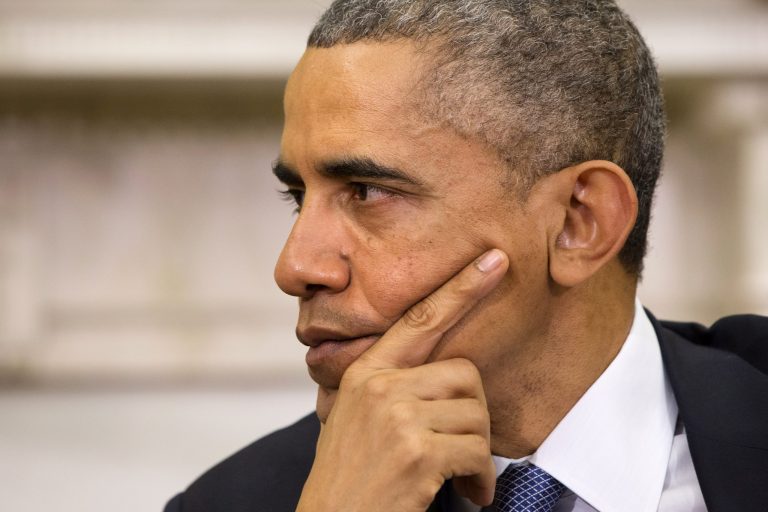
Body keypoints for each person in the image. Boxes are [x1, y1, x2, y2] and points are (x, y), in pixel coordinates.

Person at [165, 1, 768, 511]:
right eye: (299, 197)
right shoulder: (237, 500)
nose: (295, 267)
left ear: (579, 223)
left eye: (368, 192)